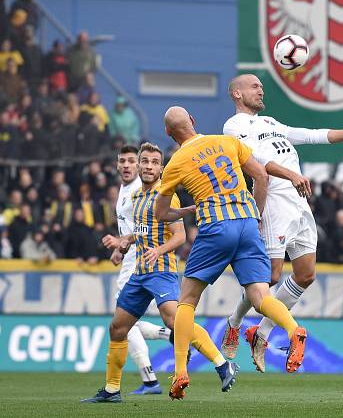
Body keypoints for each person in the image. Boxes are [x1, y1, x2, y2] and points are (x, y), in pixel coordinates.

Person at [218, 75, 343, 372]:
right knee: (270, 278)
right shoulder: (234, 126)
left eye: (261, 86)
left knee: (305, 275)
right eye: (254, 86)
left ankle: (261, 333)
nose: (261, 89)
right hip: (275, 201)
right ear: (236, 93)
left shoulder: (271, 123)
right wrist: (292, 175)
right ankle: (235, 322)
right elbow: (256, 165)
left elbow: (313, 134)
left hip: (299, 203)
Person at [155, 106, 307, 399]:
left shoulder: (175, 163)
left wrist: (187, 209)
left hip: (215, 225)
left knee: (186, 300)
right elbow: (261, 176)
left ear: (169, 133)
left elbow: (162, 212)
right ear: (193, 121)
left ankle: (180, 372)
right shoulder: (228, 142)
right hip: (248, 221)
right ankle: (293, 330)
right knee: (260, 296)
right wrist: (256, 214)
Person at [81, 143, 238, 403]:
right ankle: (111, 390)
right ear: (140, 164)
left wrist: (158, 251)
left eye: (155, 162)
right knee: (118, 328)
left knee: (175, 321)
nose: (149, 166)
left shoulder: (167, 195)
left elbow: (180, 237)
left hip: (161, 271)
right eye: (145, 162)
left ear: (161, 168)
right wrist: (126, 241)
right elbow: (144, 230)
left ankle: (223, 364)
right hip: (140, 274)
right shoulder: (136, 198)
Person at [98, 145, 171, 395]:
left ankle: (149, 378)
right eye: (123, 161)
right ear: (117, 165)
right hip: (131, 256)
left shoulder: (140, 192)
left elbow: (145, 228)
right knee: (124, 322)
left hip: (142, 260)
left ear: (139, 165)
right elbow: (131, 226)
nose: (127, 165)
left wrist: (123, 244)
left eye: (132, 161)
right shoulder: (125, 190)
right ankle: (166, 337)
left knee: (122, 323)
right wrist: (120, 248)